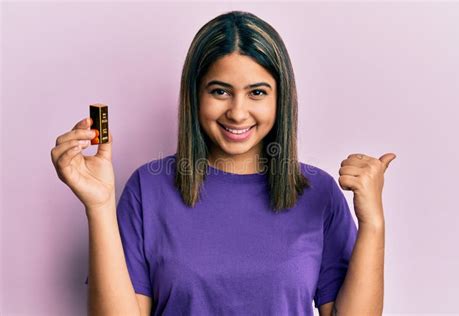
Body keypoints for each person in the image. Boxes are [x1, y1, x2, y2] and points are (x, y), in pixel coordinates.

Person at [51, 10, 393, 316]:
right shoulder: (148, 189)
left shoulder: (318, 193)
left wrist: (373, 223)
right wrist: (99, 207)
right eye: (220, 91)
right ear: (195, 95)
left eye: (257, 92)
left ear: (281, 98)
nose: (238, 112)